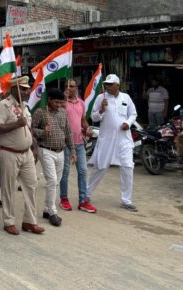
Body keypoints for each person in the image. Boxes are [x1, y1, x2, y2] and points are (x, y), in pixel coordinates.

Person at [0, 77, 44, 236]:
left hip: (26, 153)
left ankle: (30, 221)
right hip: (9, 152)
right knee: (8, 189)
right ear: (14, 89)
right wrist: (16, 124)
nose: (26, 91)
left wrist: (34, 146)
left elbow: (28, 129)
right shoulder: (4, 105)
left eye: (27, 88)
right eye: (22, 88)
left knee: (31, 185)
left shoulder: (25, 106)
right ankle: (9, 221)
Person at [86, 74, 138, 212]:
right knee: (100, 167)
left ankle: (126, 200)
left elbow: (133, 114)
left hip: (124, 140)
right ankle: (86, 194)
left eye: (110, 84)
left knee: (128, 167)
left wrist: (128, 123)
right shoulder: (101, 98)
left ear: (117, 85)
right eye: (106, 84)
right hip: (107, 139)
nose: (107, 86)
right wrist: (102, 110)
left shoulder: (126, 98)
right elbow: (93, 117)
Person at [32, 88, 75, 227]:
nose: (58, 105)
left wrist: (72, 150)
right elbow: (31, 129)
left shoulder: (62, 112)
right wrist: (43, 132)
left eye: (60, 102)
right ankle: (52, 212)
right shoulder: (40, 112)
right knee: (52, 180)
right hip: (46, 150)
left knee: (56, 182)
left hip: (61, 151)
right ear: (49, 99)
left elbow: (68, 131)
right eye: (56, 102)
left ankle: (46, 208)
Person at [60, 80, 94, 213]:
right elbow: (57, 114)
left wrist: (87, 129)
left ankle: (83, 201)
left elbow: (83, 120)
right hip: (66, 143)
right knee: (65, 173)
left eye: (71, 86)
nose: (69, 88)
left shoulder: (81, 103)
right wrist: (63, 99)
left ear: (77, 88)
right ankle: (63, 198)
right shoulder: (62, 103)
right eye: (66, 86)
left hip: (79, 142)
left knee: (83, 171)